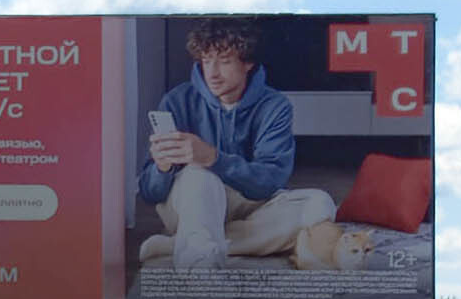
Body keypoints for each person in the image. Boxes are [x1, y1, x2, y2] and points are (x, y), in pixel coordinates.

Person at [136, 19, 335, 269]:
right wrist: (162, 168)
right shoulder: (177, 100)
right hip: (194, 201)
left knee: (319, 204)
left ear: (248, 63)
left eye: (225, 61)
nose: (212, 73)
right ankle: (201, 265)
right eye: (206, 61)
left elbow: (270, 180)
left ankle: (183, 244)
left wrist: (214, 158)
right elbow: (150, 193)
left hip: (248, 203)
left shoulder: (274, 106)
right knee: (199, 175)